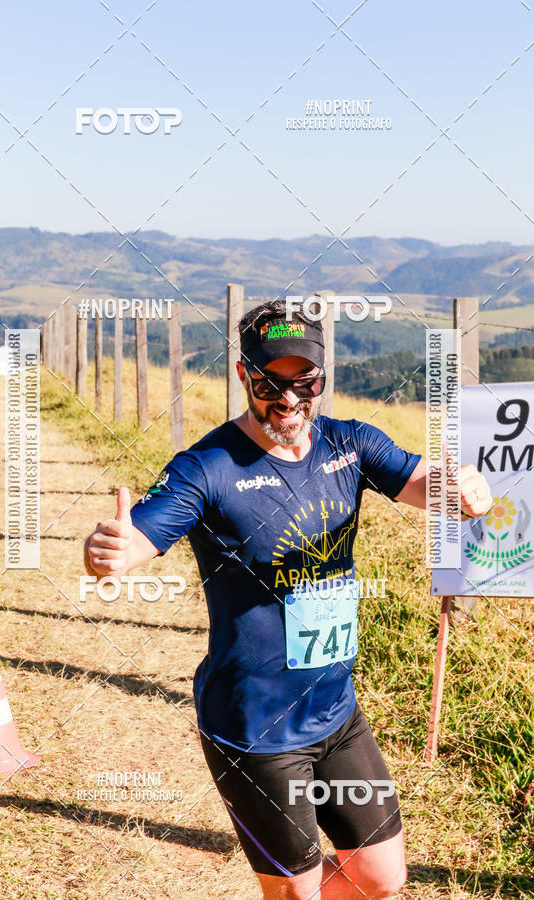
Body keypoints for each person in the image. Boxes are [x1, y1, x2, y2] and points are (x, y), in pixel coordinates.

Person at [84, 300, 492, 899]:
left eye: (307, 381)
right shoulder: (207, 467)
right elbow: (138, 537)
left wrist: (463, 491)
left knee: (382, 878)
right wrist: (110, 551)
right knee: (296, 892)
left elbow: (425, 482)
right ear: (244, 375)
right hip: (255, 727)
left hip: (336, 712)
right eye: (271, 382)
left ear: (323, 377)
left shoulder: (349, 443)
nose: (290, 398)